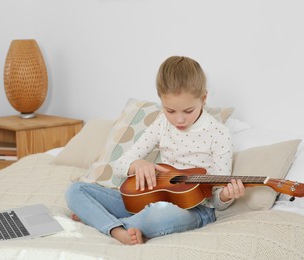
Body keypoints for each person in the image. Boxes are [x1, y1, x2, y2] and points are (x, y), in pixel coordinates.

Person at [65, 56, 246, 245]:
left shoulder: (219, 134)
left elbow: (217, 201)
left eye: (188, 111)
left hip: (193, 209)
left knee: (159, 214)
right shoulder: (161, 123)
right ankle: (119, 230)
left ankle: (101, 220)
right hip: (149, 198)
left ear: (204, 98)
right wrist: (137, 164)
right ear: (160, 100)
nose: (179, 120)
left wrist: (226, 196)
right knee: (76, 190)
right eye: (170, 111)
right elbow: (119, 165)